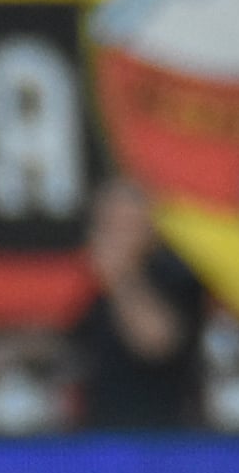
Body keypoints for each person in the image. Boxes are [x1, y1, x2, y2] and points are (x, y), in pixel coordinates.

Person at [72, 177, 209, 430]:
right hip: (98, 430)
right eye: (108, 223)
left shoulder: (174, 273)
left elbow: (158, 341)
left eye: (126, 224)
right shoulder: (90, 281)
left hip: (161, 433)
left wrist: (120, 279)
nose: (115, 235)